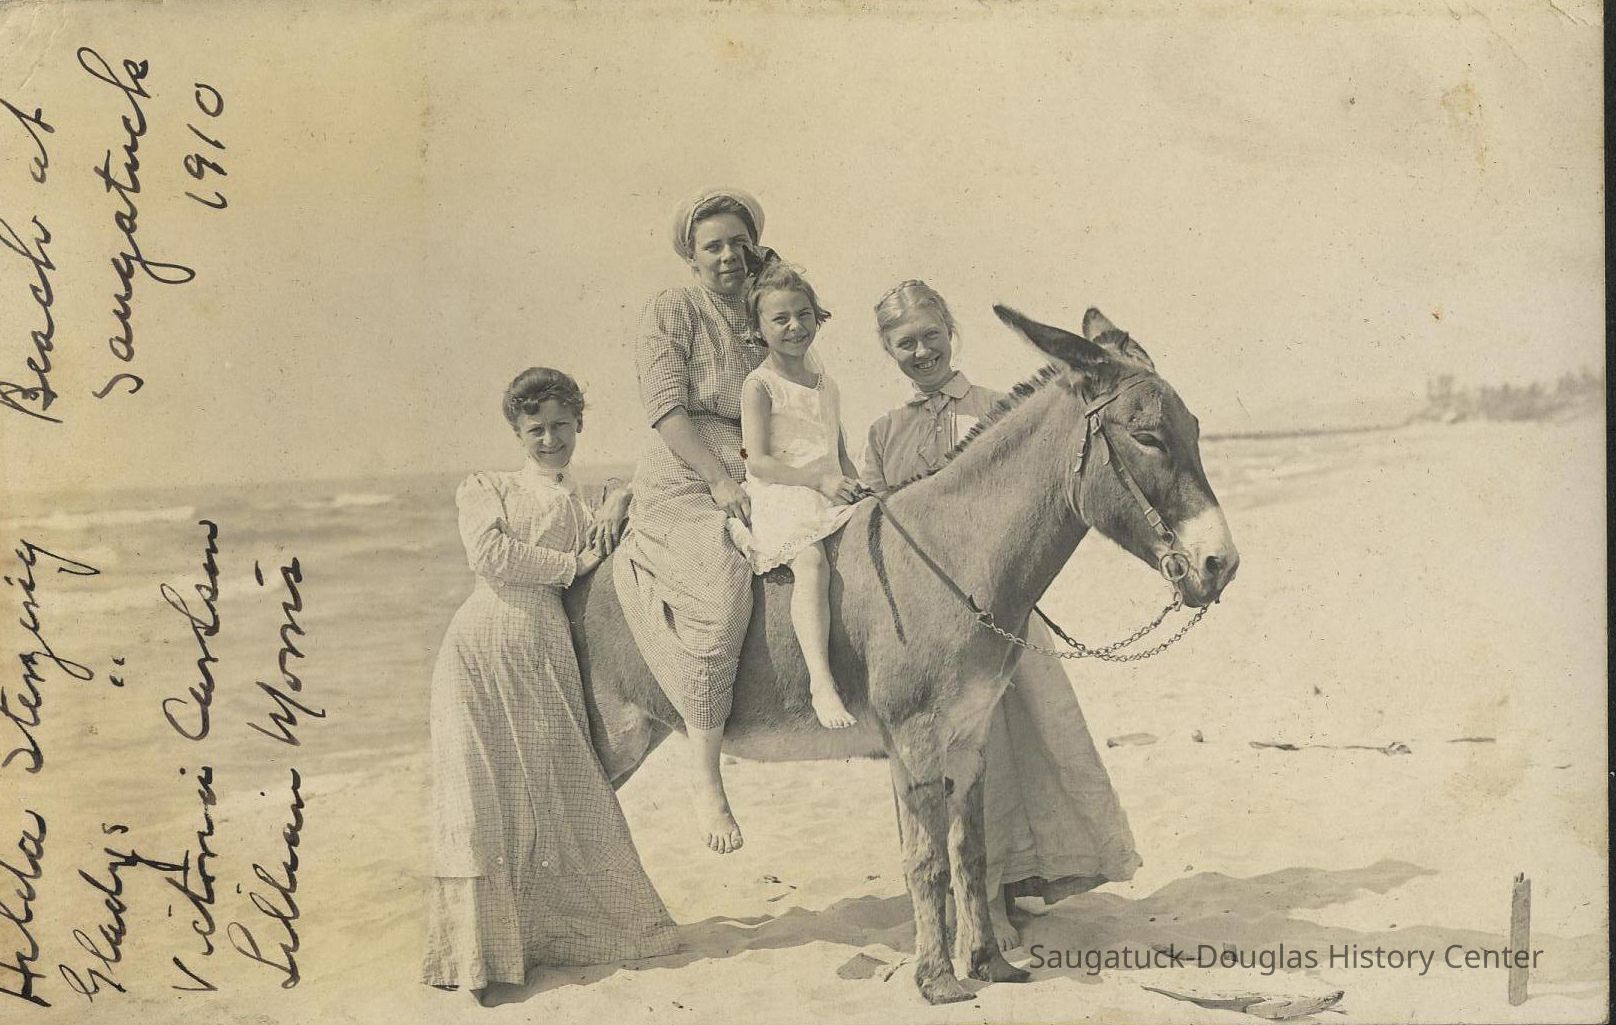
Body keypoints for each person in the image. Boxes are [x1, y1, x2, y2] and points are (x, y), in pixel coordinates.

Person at [860, 280, 1143, 949]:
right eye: (906, 343)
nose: (921, 350)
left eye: (931, 335)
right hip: (926, 636)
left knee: (1025, 749)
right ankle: (966, 905)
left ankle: (1008, 890)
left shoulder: (994, 408)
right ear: (888, 351)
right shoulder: (884, 431)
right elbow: (876, 518)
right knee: (935, 765)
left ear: (951, 330)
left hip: (1002, 615)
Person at [422, 368, 677, 1005]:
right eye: (535, 429)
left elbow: (614, 546)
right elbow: (492, 558)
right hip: (485, 641)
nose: (549, 439)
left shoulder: (580, 501)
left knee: (555, 783)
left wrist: (618, 503)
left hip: (548, 647)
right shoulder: (487, 488)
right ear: (517, 432)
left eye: (561, 426)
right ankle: (483, 954)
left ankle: (546, 939)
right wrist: (573, 563)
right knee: (486, 788)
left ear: (579, 426)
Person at [611, 187, 768, 855]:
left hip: (755, 462)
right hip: (685, 475)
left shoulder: (765, 307)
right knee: (722, 581)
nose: (728, 255)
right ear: (691, 256)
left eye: (738, 241)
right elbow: (666, 412)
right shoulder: (671, 311)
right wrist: (721, 479)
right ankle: (706, 775)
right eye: (714, 246)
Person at [728, 261, 861, 728]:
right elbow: (757, 460)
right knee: (811, 562)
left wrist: (855, 487)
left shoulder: (825, 384)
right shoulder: (760, 385)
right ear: (758, 328)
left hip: (827, 487)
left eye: (803, 314)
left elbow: (838, 449)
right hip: (784, 490)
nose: (794, 327)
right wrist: (818, 481)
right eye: (780, 319)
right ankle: (820, 682)